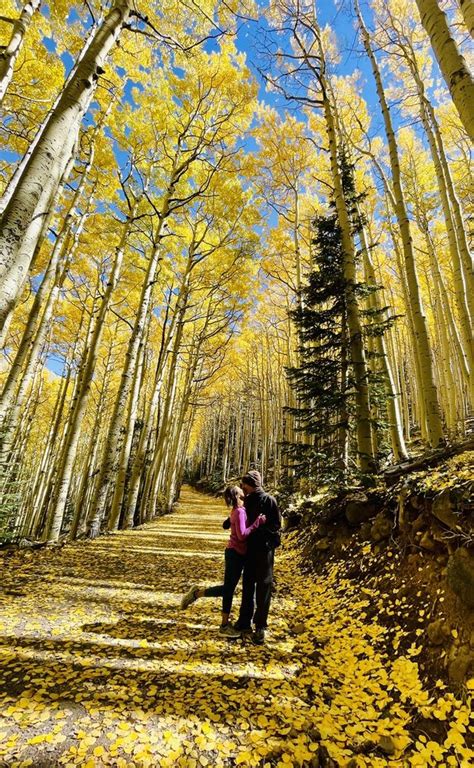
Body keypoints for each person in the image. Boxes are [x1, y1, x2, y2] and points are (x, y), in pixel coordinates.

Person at [180, 485, 266, 638]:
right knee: (228, 589)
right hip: (234, 555)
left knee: (228, 589)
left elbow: (231, 524)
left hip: (238, 555)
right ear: (237, 495)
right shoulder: (239, 511)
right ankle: (201, 599)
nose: (243, 491)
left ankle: (222, 622)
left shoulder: (240, 509)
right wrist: (257, 523)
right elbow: (242, 535)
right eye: (241, 490)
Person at [233, 470, 281, 645]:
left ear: (251, 484)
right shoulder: (247, 502)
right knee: (249, 585)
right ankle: (245, 621)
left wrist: (262, 533)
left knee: (262, 587)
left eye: (244, 484)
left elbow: (276, 525)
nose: (242, 488)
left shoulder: (269, 501)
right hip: (250, 550)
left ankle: (260, 627)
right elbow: (240, 519)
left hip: (264, 551)